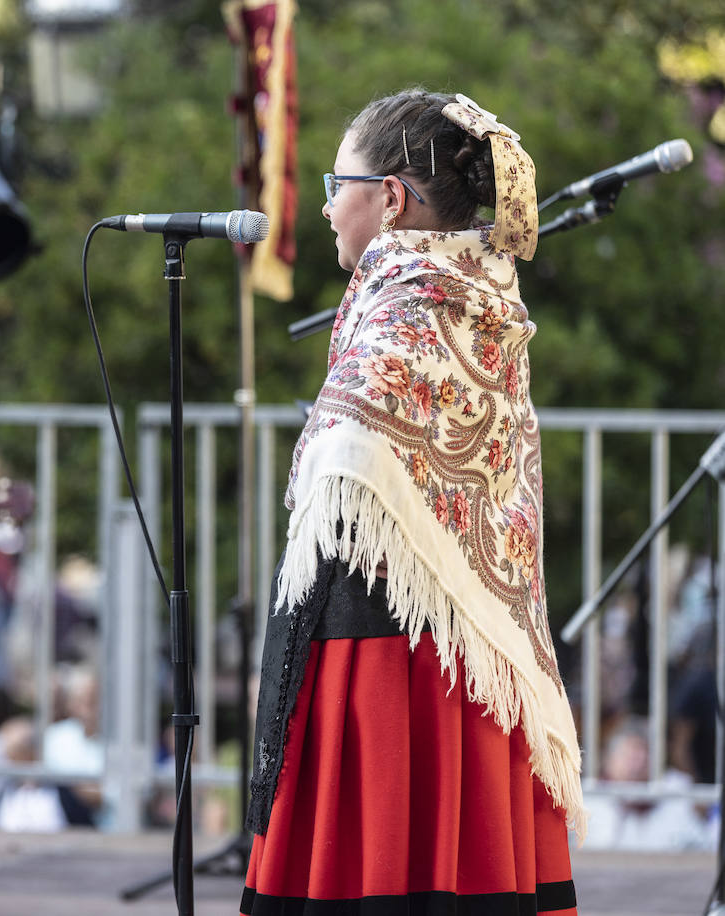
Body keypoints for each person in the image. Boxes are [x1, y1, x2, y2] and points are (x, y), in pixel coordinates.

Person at [241, 90, 583, 915]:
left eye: (338, 182)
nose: (326, 206)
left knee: (382, 879)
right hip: (480, 659)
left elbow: (347, 459)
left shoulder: (405, 308)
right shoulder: (487, 296)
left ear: (390, 198)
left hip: (390, 665)